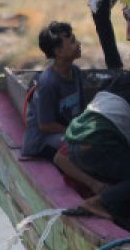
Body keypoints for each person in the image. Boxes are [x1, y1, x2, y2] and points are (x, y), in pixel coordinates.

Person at [59, 44, 130, 230]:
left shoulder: (119, 81)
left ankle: (119, 217)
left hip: (74, 142)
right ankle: (97, 202)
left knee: (127, 176)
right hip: (97, 143)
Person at [23, 22, 86, 162]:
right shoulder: (48, 82)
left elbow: (81, 110)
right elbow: (45, 125)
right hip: (42, 142)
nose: (78, 43)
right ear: (59, 52)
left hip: (66, 131)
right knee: (81, 147)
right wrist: (76, 133)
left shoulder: (75, 72)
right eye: (72, 41)